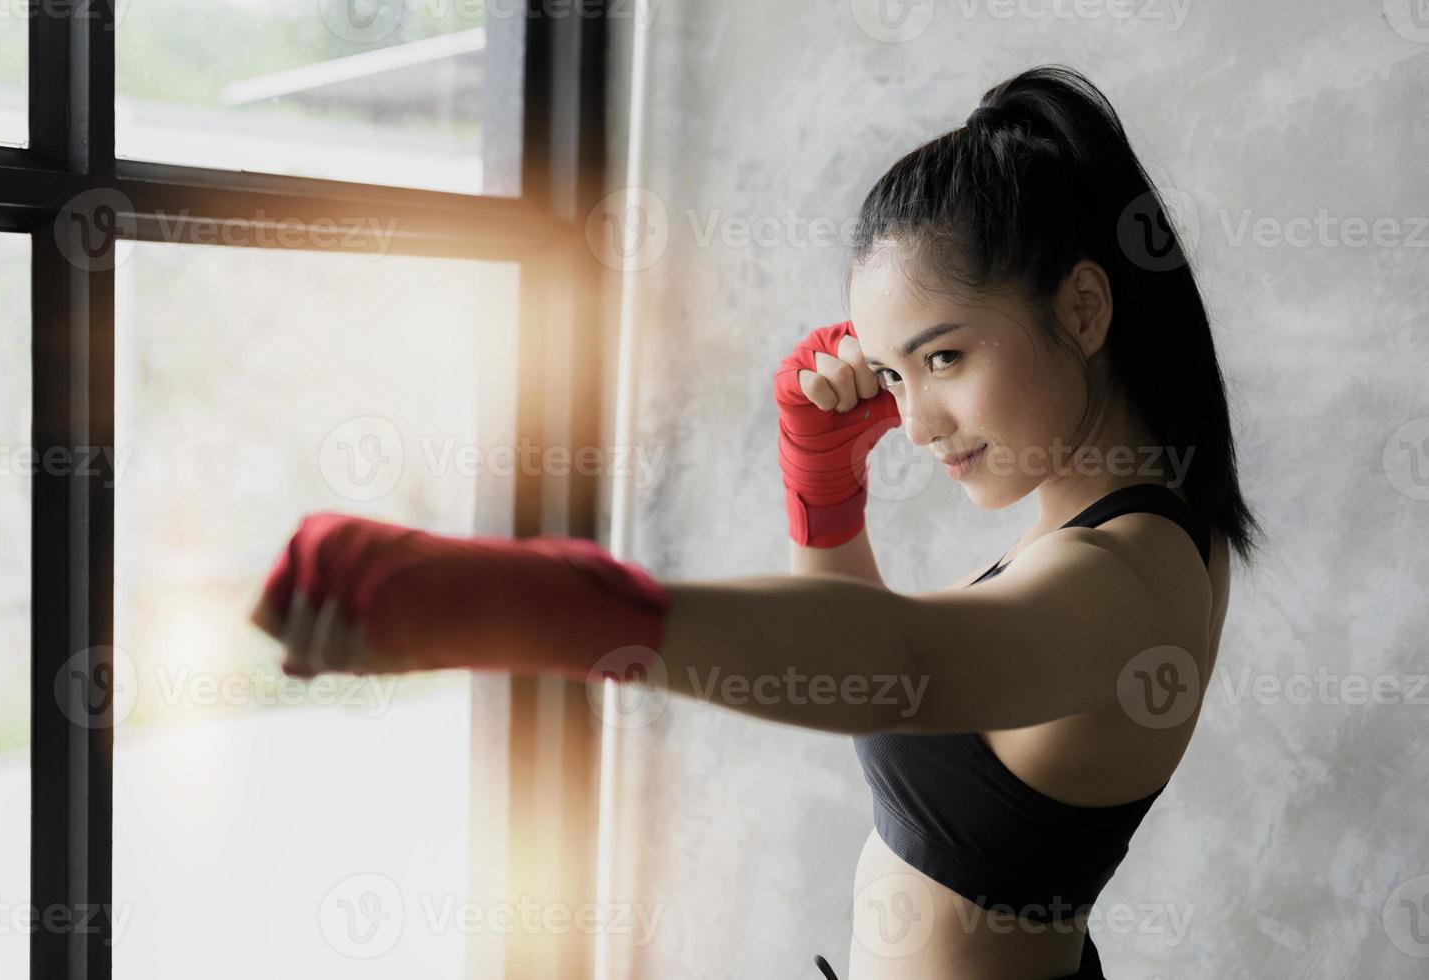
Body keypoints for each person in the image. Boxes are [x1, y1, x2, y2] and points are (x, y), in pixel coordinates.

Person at [247, 64, 1263, 980]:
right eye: (895, 372)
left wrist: (530, 605)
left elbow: (894, 661)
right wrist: (822, 484)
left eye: (946, 357)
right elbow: (858, 673)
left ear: (1085, 309)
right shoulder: (1098, 530)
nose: (914, 425)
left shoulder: (1127, 582)